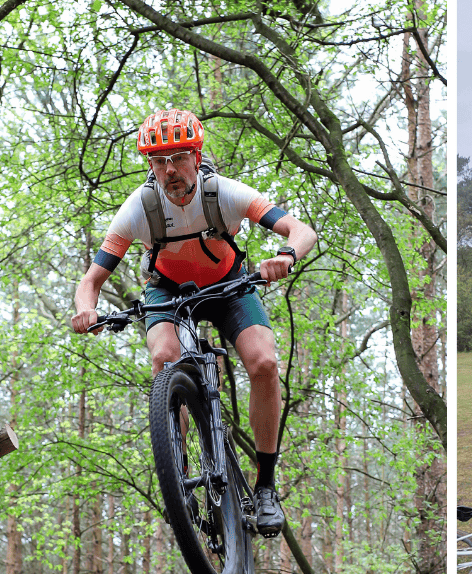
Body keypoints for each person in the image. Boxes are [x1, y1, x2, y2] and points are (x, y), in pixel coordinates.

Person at [70, 109, 316, 536]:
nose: (170, 169)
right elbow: (91, 280)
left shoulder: (224, 193)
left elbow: (302, 230)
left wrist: (286, 255)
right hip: (168, 292)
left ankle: (265, 487)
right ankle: (178, 474)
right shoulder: (139, 208)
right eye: (159, 160)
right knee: (165, 357)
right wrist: (86, 309)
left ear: (197, 156)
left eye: (179, 157)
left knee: (263, 364)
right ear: (150, 164)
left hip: (228, 288)